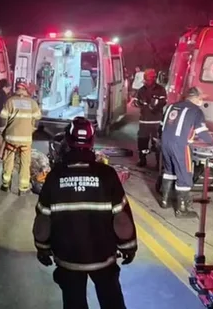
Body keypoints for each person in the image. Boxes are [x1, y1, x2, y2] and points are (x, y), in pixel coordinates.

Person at [32, 117, 137, 309]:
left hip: (68, 259)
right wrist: (128, 246)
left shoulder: (55, 176)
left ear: (67, 141)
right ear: (92, 141)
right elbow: (121, 219)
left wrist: (42, 248)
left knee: (74, 303)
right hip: (103, 257)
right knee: (111, 300)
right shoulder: (107, 175)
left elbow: (43, 220)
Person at [160, 87, 213, 217]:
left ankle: (164, 201)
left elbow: (162, 125)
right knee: (184, 175)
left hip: (165, 142)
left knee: (169, 171)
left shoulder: (171, 107)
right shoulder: (196, 111)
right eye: (201, 98)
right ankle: (182, 210)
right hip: (180, 146)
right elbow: (202, 132)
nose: (202, 100)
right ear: (195, 98)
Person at [0, 80, 41, 195]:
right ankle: (23, 188)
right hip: (26, 139)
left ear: (16, 89)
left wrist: (2, 131)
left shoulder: (10, 101)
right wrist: (31, 130)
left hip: (11, 138)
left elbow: (2, 119)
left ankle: (5, 184)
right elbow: (37, 121)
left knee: (8, 161)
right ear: (26, 90)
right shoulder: (33, 103)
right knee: (25, 163)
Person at [133, 69, 167, 168]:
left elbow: (163, 102)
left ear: (154, 78)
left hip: (156, 121)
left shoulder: (160, 89)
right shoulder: (141, 90)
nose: (147, 81)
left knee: (157, 143)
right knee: (142, 142)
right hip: (144, 121)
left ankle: (158, 163)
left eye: (149, 79)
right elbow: (136, 102)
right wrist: (141, 103)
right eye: (146, 79)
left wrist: (155, 106)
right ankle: (142, 160)